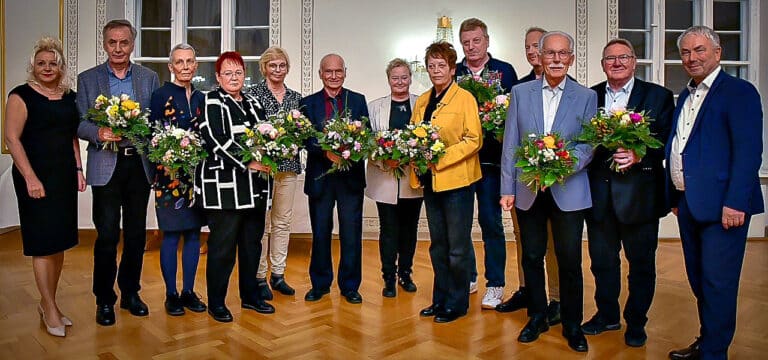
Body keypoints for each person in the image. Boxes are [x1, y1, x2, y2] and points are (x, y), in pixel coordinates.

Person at [666, 26, 763, 360]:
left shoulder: (739, 92)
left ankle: (714, 354)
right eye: (686, 52)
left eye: (700, 50)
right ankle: (708, 342)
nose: (692, 58)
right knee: (699, 280)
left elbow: (749, 151)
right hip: (689, 204)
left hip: (725, 208)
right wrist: (677, 196)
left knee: (718, 284)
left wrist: (736, 202)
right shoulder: (686, 94)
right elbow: (682, 147)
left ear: (717, 52)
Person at [500, 31, 597, 352]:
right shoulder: (520, 92)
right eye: (550, 53)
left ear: (570, 58)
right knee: (531, 256)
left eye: (563, 53)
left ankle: (572, 324)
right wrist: (507, 188)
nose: (556, 59)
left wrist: (566, 163)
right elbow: (511, 144)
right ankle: (537, 316)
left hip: (569, 191)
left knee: (569, 259)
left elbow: (588, 144)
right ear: (539, 57)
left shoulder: (585, 97)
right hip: (529, 190)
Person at [582, 38, 674, 347]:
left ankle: (637, 322)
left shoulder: (658, 96)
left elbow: (665, 141)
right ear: (603, 64)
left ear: (634, 61)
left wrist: (638, 153)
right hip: (599, 197)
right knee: (602, 263)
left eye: (624, 57)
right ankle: (607, 315)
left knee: (641, 266)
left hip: (640, 197)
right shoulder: (589, 96)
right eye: (610, 58)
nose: (617, 63)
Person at [76, 19, 160, 326]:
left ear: (132, 44)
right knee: (108, 235)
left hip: (138, 164)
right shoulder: (88, 79)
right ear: (104, 43)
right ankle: (104, 299)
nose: (118, 48)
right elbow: (80, 123)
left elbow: (153, 122)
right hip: (105, 165)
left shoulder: (149, 77)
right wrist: (100, 131)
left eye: (124, 42)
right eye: (112, 42)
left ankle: (130, 293)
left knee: (136, 235)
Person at [4, 36, 86, 337]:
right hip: (34, 178)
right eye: (42, 63)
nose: (47, 68)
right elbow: (12, 139)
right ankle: (50, 307)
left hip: (63, 176)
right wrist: (31, 178)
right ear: (33, 67)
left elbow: (72, 136)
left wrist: (79, 169)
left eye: (53, 63)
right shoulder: (20, 96)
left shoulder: (69, 97)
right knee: (42, 242)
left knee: (60, 241)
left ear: (61, 66)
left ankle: (48, 302)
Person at [195, 51, 275, 322]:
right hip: (224, 188)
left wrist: (270, 154)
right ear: (218, 77)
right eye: (227, 73)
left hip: (256, 188)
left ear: (245, 75)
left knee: (252, 244)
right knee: (223, 248)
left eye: (238, 72)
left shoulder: (254, 103)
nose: (233, 77)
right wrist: (250, 161)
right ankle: (216, 302)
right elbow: (216, 140)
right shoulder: (211, 100)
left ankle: (250, 296)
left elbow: (267, 135)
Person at [496, 26, 562, 325]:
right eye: (528, 46)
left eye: (538, 45)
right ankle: (527, 289)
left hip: (560, 182)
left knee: (554, 243)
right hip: (524, 183)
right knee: (524, 240)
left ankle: (557, 298)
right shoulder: (519, 87)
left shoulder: (570, 88)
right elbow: (512, 136)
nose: (533, 51)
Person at [415, 41, 482, 323]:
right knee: (438, 245)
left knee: (457, 247)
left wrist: (440, 158)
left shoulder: (465, 98)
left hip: (457, 183)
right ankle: (439, 299)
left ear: (453, 69)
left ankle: (457, 303)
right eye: (431, 65)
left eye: (442, 65)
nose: (436, 70)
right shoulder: (422, 100)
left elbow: (474, 140)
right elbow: (415, 136)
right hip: (430, 182)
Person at [454, 17, 518, 308]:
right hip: (462, 162)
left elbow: (516, 117)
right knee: (461, 223)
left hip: (493, 162)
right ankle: (468, 276)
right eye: (466, 42)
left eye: (476, 40)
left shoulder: (505, 72)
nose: (471, 47)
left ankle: (496, 284)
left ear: (487, 40)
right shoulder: (454, 73)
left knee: (491, 223)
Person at [301, 54, 369, 304]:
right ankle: (319, 284)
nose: (333, 76)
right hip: (320, 178)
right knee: (320, 233)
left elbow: (367, 136)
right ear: (320, 74)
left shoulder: (358, 101)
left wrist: (351, 150)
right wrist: (325, 151)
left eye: (337, 71)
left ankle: (350, 286)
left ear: (345, 72)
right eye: (328, 71)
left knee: (351, 233)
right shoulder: (307, 103)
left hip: (350, 178)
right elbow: (305, 138)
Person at [148, 43, 207, 316]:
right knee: (171, 235)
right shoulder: (160, 95)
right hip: (168, 177)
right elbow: (152, 136)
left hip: (197, 178)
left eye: (190, 61)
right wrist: (167, 158)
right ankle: (171, 294)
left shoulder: (202, 98)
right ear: (171, 67)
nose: (185, 67)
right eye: (179, 62)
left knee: (194, 234)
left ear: (196, 66)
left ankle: (189, 291)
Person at [248, 46, 302, 300]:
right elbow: (248, 133)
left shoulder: (295, 97)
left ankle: (278, 274)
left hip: (288, 167)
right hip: (262, 168)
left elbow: (302, 133)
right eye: (273, 66)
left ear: (287, 68)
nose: (277, 70)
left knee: (283, 221)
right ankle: (259, 276)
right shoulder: (252, 95)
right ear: (264, 68)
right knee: (262, 223)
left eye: (282, 66)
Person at [365, 58, 422, 297]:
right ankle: (388, 276)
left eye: (404, 77)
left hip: (412, 179)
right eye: (395, 77)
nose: (400, 82)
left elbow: (429, 138)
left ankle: (405, 274)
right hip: (385, 177)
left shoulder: (422, 103)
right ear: (388, 79)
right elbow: (367, 142)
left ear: (410, 78)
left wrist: (413, 157)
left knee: (410, 229)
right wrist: (383, 160)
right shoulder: (374, 106)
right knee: (388, 229)